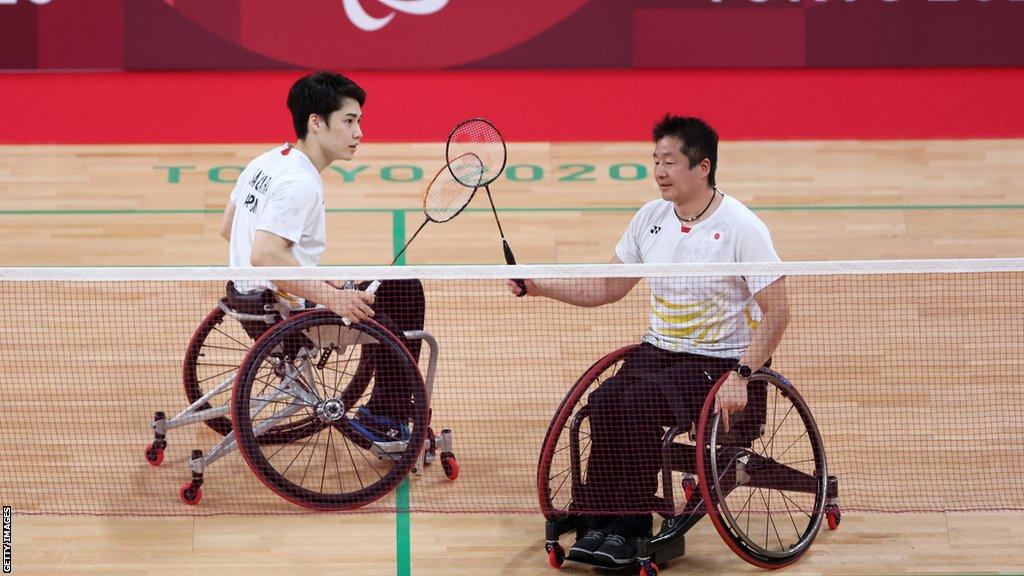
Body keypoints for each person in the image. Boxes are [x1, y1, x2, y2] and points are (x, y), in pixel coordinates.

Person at [511, 115, 790, 566]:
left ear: (702, 167)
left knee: (636, 405)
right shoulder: (650, 218)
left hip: (714, 362)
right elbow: (607, 288)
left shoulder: (741, 227)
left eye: (670, 162)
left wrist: (742, 374)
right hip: (656, 352)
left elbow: (778, 312)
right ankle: (596, 521)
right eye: (655, 160)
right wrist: (540, 286)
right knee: (604, 404)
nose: (659, 171)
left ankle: (630, 528)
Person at [218, 70, 424, 442]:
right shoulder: (300, 183)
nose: (359, 133)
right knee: (394, 329)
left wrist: (321, 281)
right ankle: (386, 416)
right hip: (286, 315)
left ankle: (385, 409)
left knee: (401, 284)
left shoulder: (266, 161)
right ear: (316, 122)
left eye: (359, 121)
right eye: (348, 121)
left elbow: (228, 228)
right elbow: (264, 255)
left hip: (248, 298)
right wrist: (335, 297)